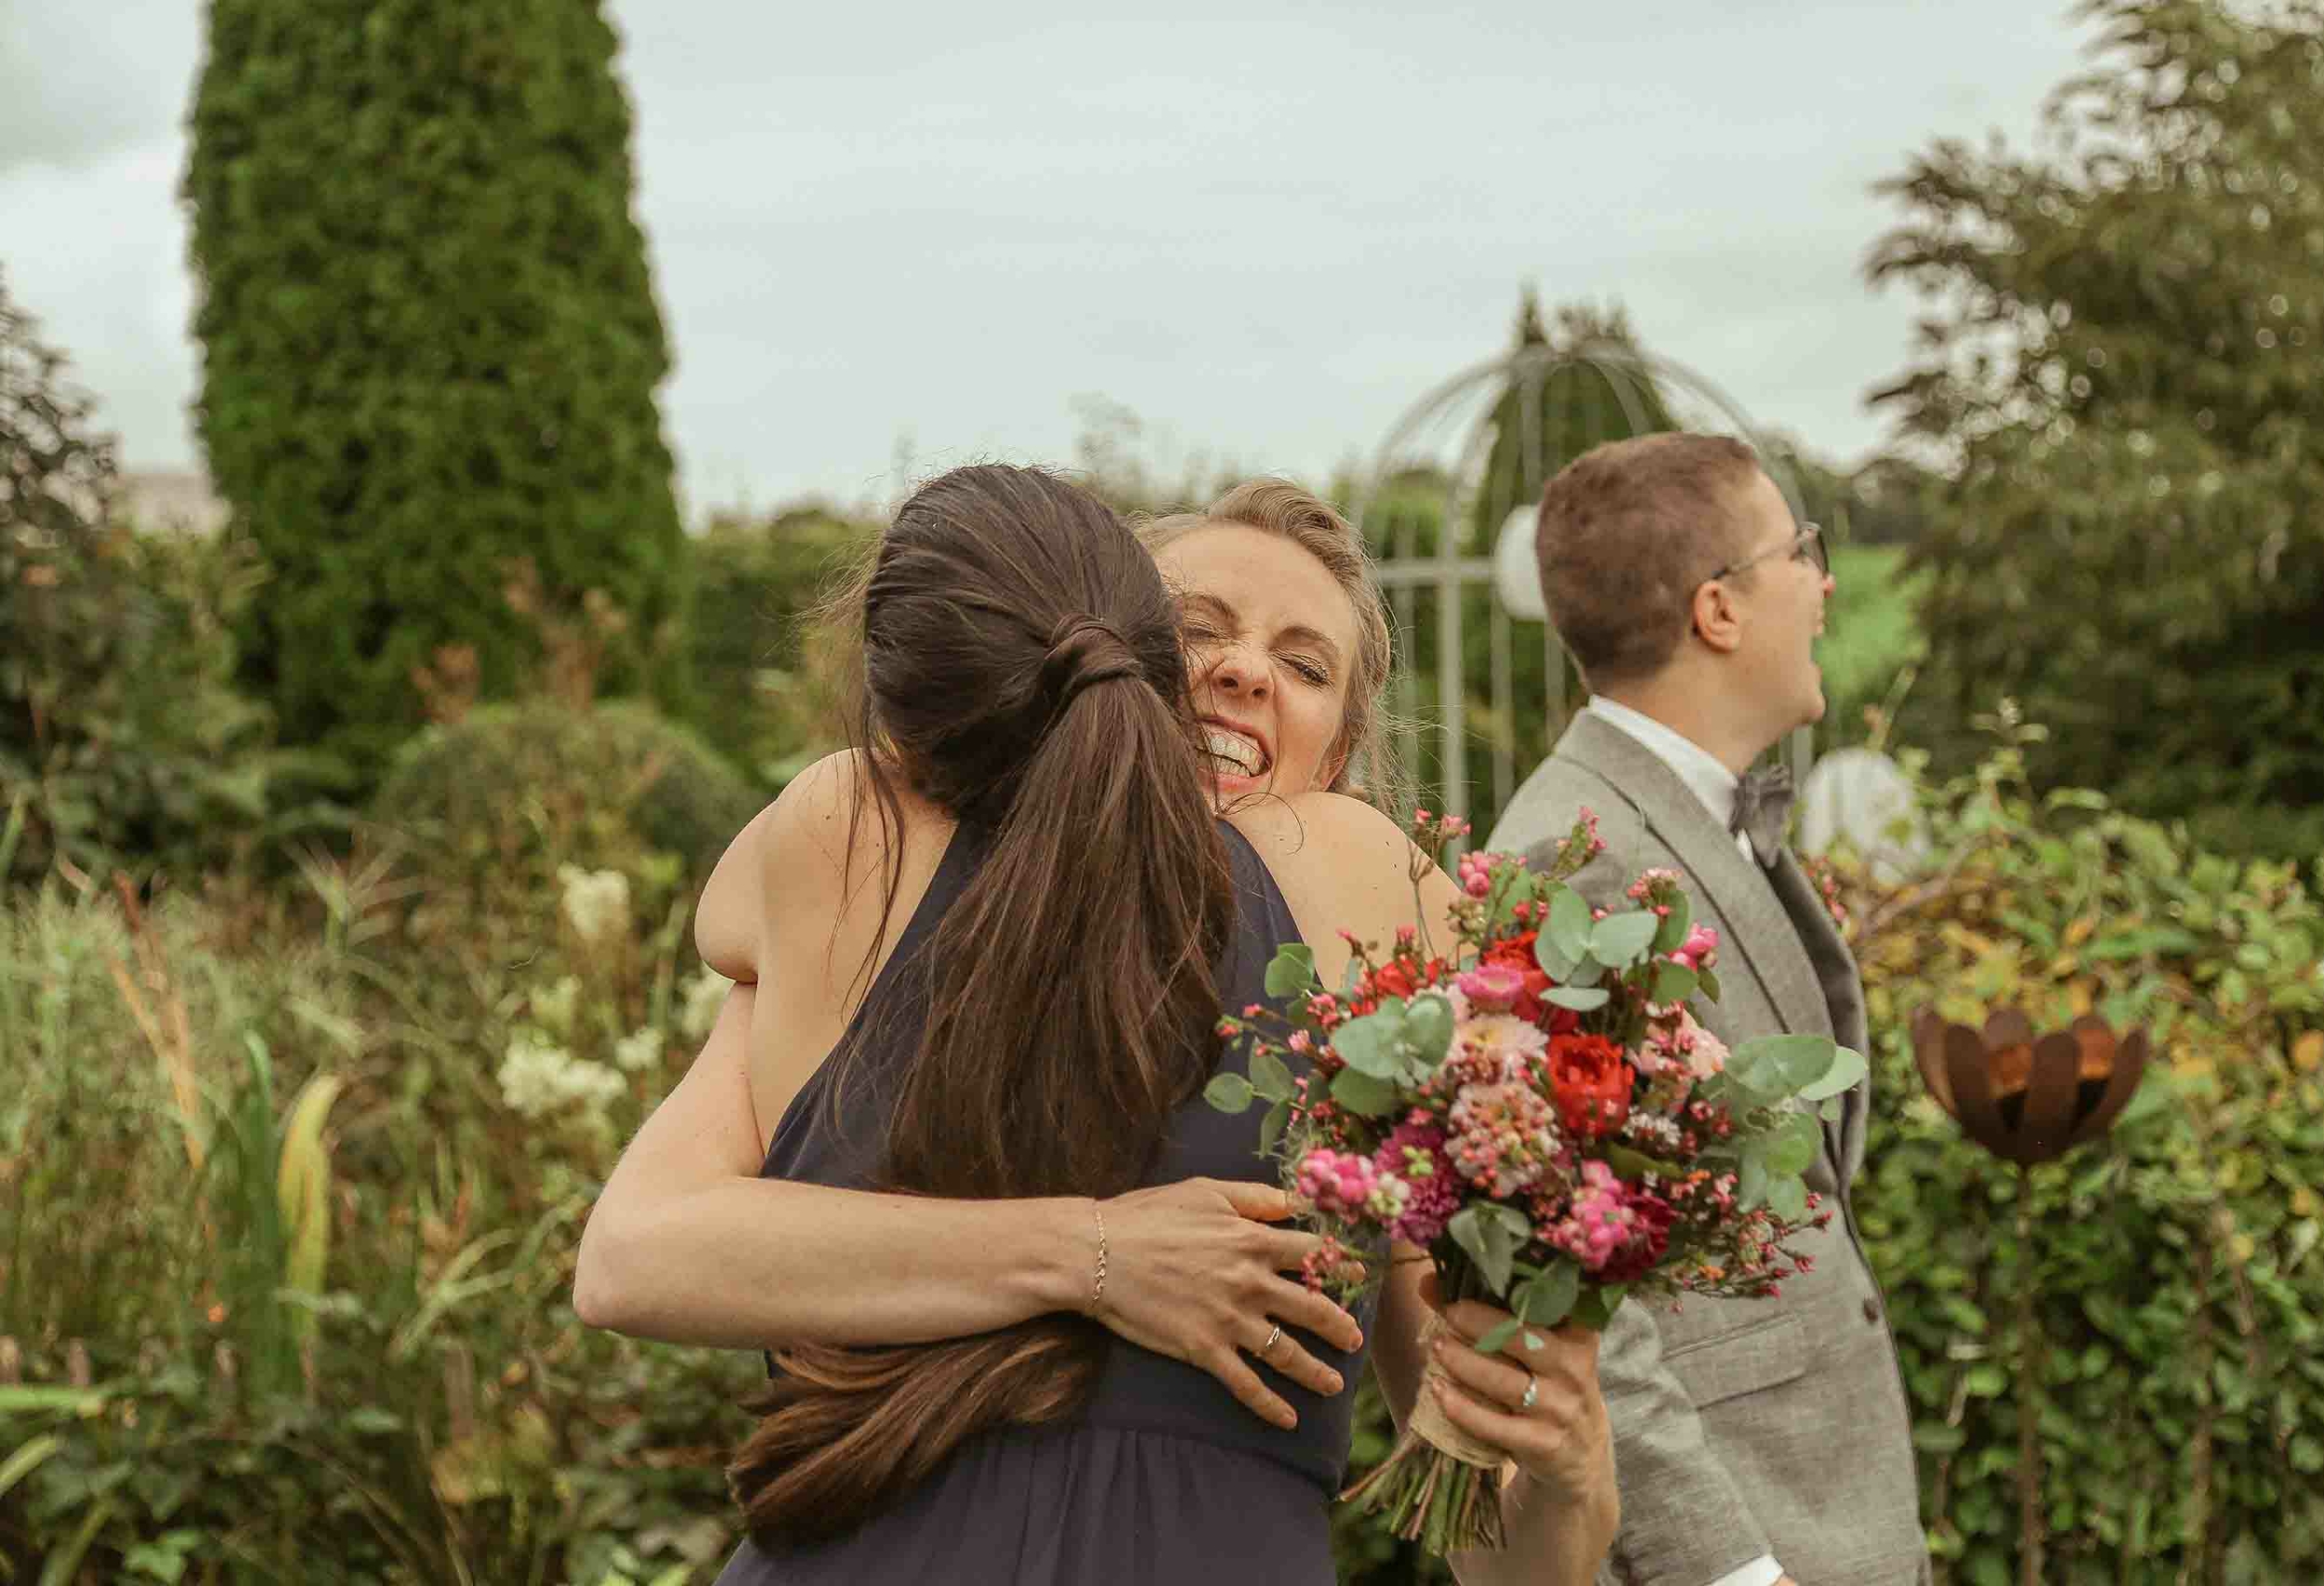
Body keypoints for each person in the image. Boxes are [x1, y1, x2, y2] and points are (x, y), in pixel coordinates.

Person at [574, 467, 1618, 1583]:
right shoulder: (870, 852)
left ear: (1340, 752)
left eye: (1304, 665)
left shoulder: (1361, 913)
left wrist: (1573, 1465)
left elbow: (1514, 1567)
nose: (1241, 671)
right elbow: (634, 1256)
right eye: (1190, 633)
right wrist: (1100, 1253)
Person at [1486, 433, 1929, 1586]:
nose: (1826, 585)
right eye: (1802, 552)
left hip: (1823, 1502)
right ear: (1718, 609)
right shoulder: (1571, 855)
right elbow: (1574, 1290)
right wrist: (1729, 1569)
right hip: (1748, 1535)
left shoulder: (1685, 819)